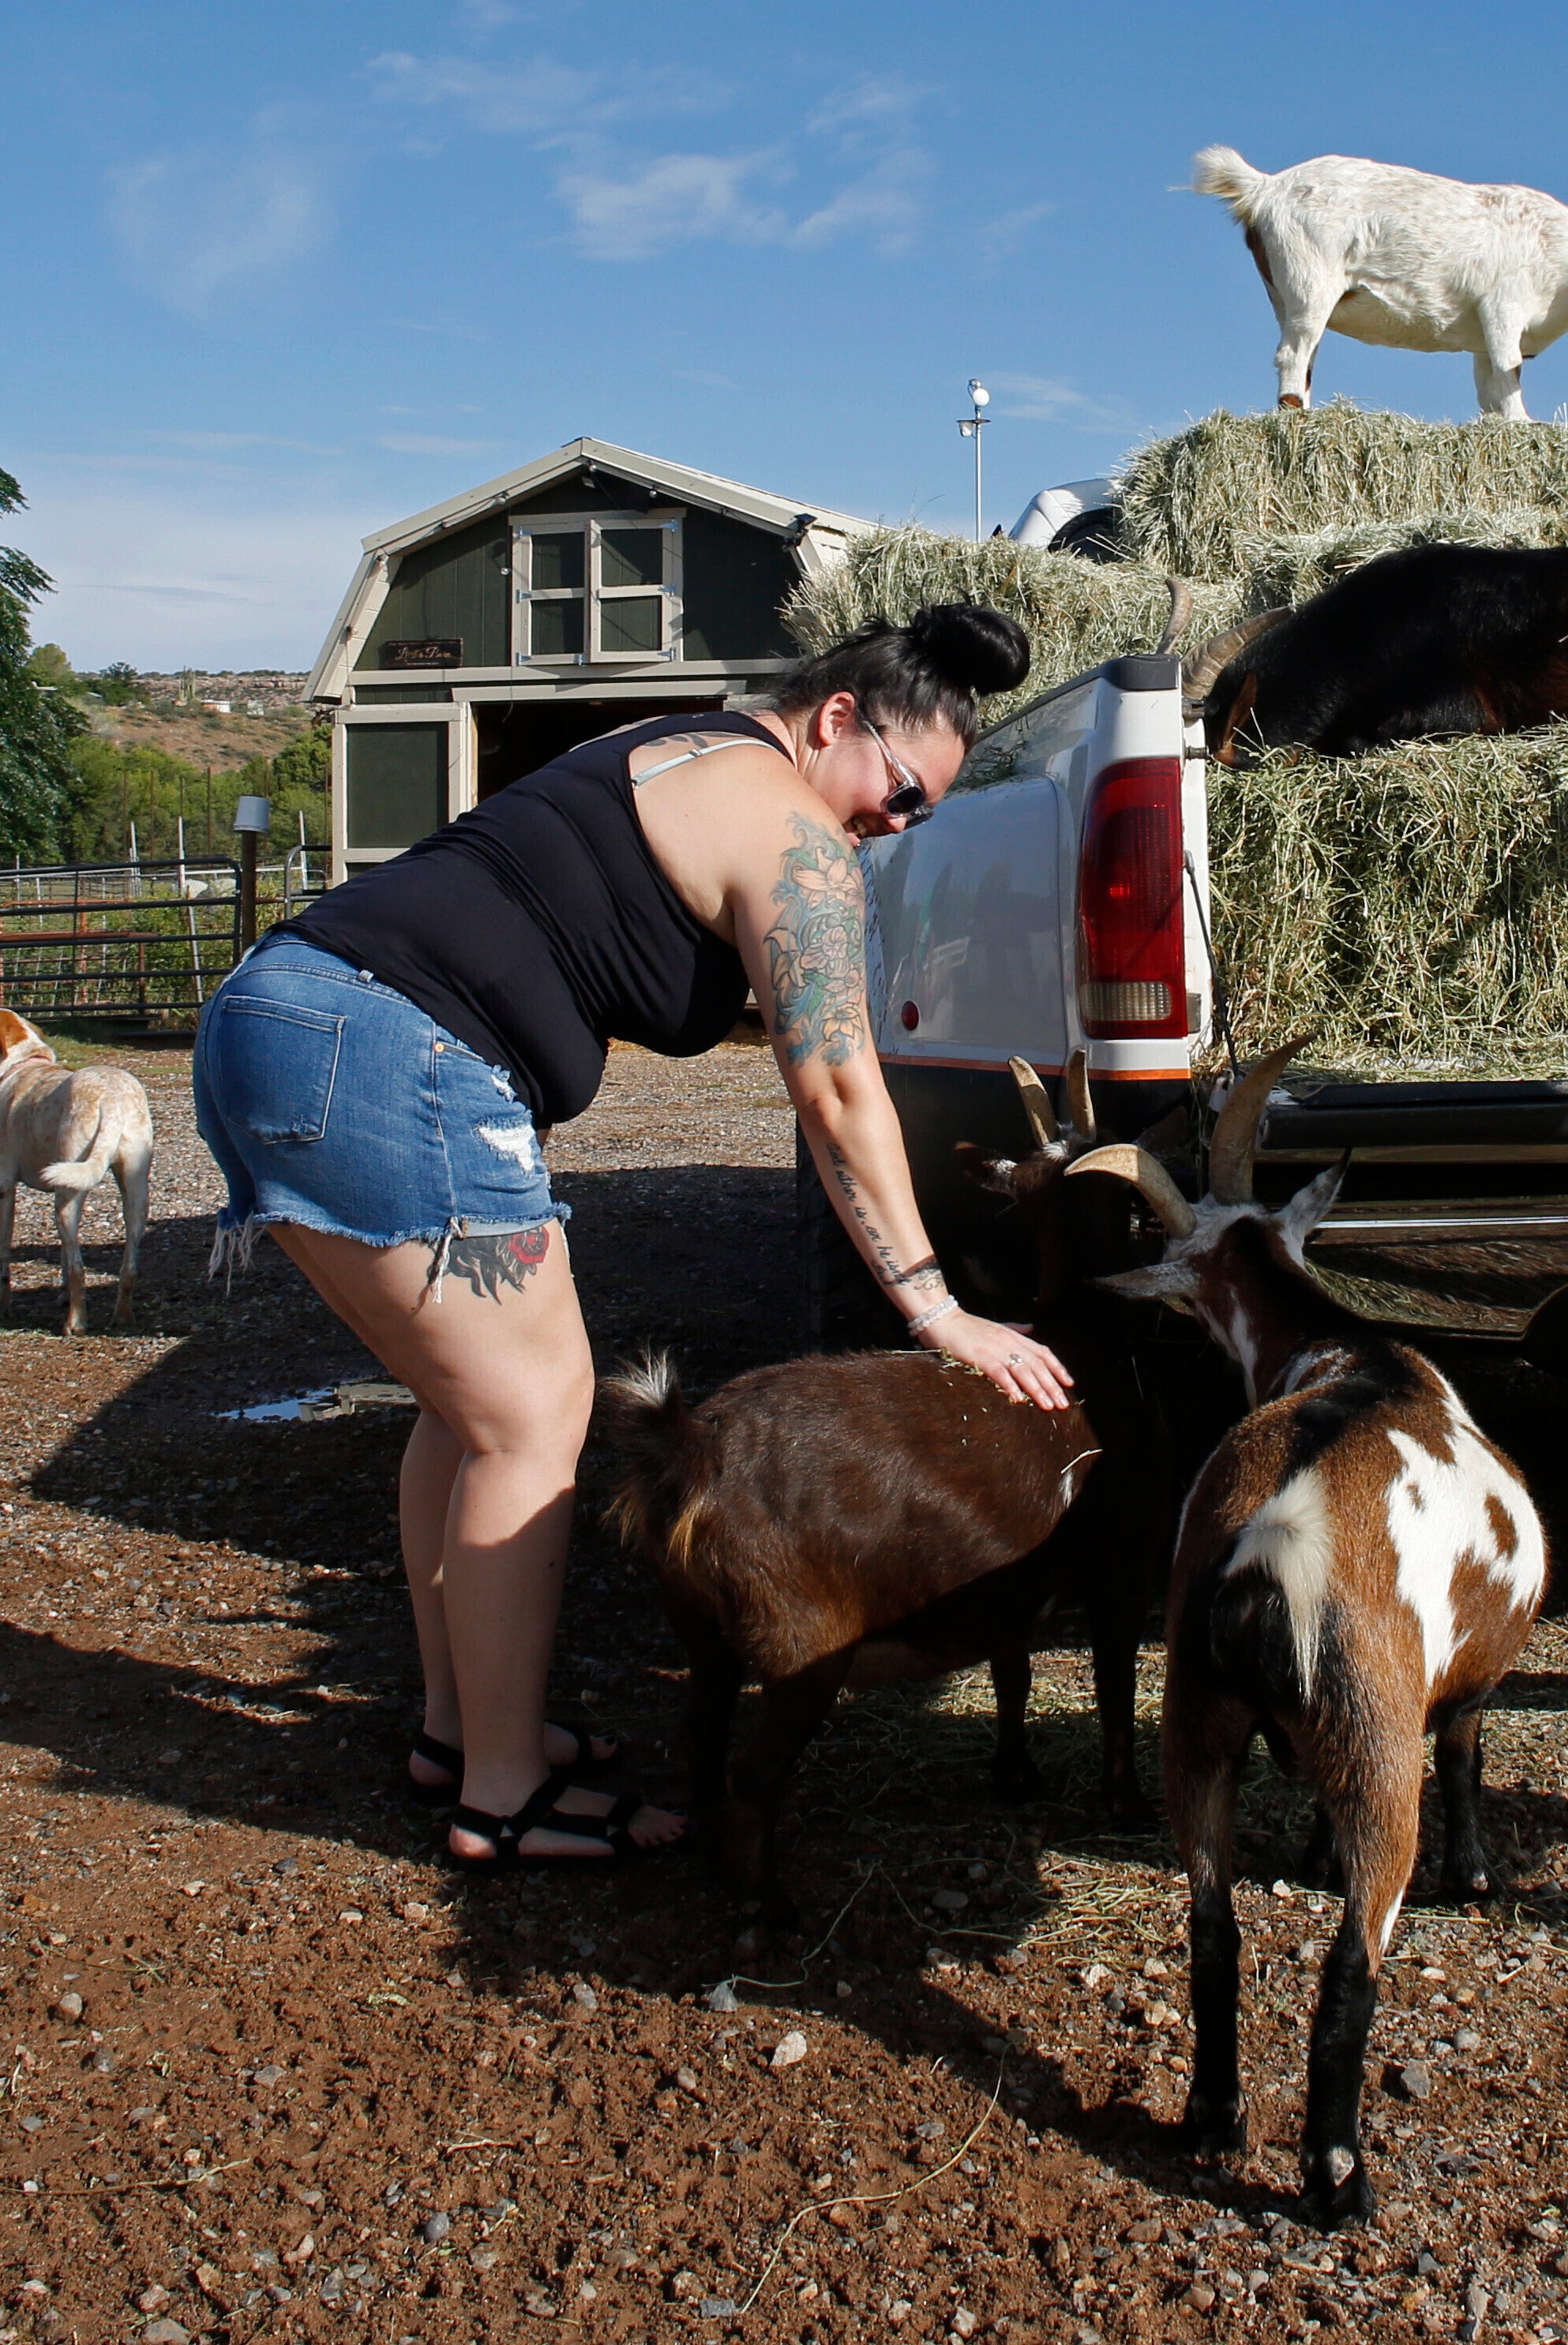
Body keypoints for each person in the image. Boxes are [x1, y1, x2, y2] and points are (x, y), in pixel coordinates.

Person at [195, 603, 1067, 1867]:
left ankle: (463, 1731)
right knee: (536, 1420)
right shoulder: (793, 827)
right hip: (390, 1045)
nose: (898, 822)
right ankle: (503, 1795)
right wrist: (937, 1307)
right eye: (903, 790)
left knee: (467, 1408)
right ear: (837, 721)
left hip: (287, 1015)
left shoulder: (683, 747)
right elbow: (836, 1085)